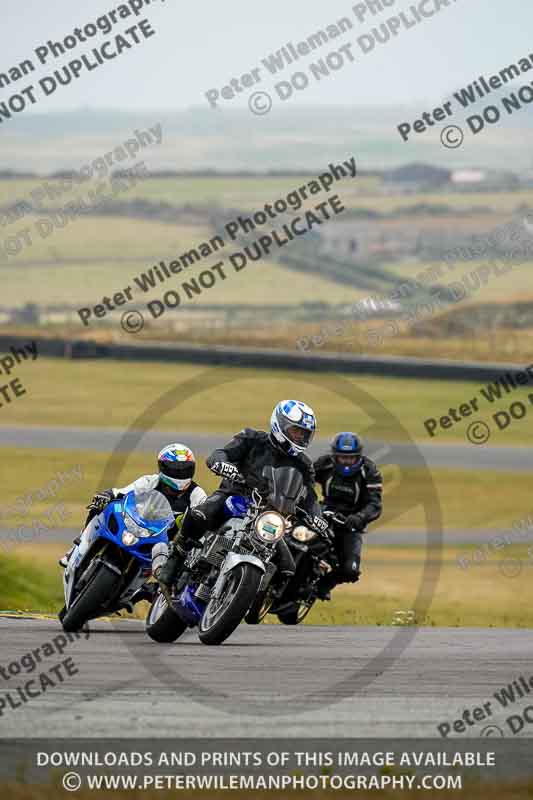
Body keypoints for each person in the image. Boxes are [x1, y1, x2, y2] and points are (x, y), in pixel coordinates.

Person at [157, 400, 329, 589]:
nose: (299, 437)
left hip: (268, 515)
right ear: (280, 424)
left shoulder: (304, 465)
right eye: (296, 431)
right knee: (200, 515)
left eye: (304, 434)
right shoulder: (253, 439)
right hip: (234, 496)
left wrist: (317, 516)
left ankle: (252, 596)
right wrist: (221, 463)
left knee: (287, 567)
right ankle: (176, 557)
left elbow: (309, 495)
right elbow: (221, 454)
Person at [59, 443, 207, 598]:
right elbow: (122, 492)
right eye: (175, 468)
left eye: (185, 469)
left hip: (168, 543)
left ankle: (152, 592)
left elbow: (204, 518)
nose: (180, 473)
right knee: (99, 507)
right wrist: (107, 495)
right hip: (137, 527)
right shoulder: (149, 481)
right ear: (162, 467)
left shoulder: (197, 494)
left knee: (186, 566)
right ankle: (77, 548)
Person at [313, 432, 383, 599]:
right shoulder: (324, 464)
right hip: (324, 513)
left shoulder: (370, 471)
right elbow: (304, 479)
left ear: (358, 456)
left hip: (351, 523)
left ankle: (324, 585)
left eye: (350, 458)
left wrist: (358, 518)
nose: (346, 462)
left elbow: (375, 504)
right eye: (342, 457)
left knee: (351, 570)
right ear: (334, 455)